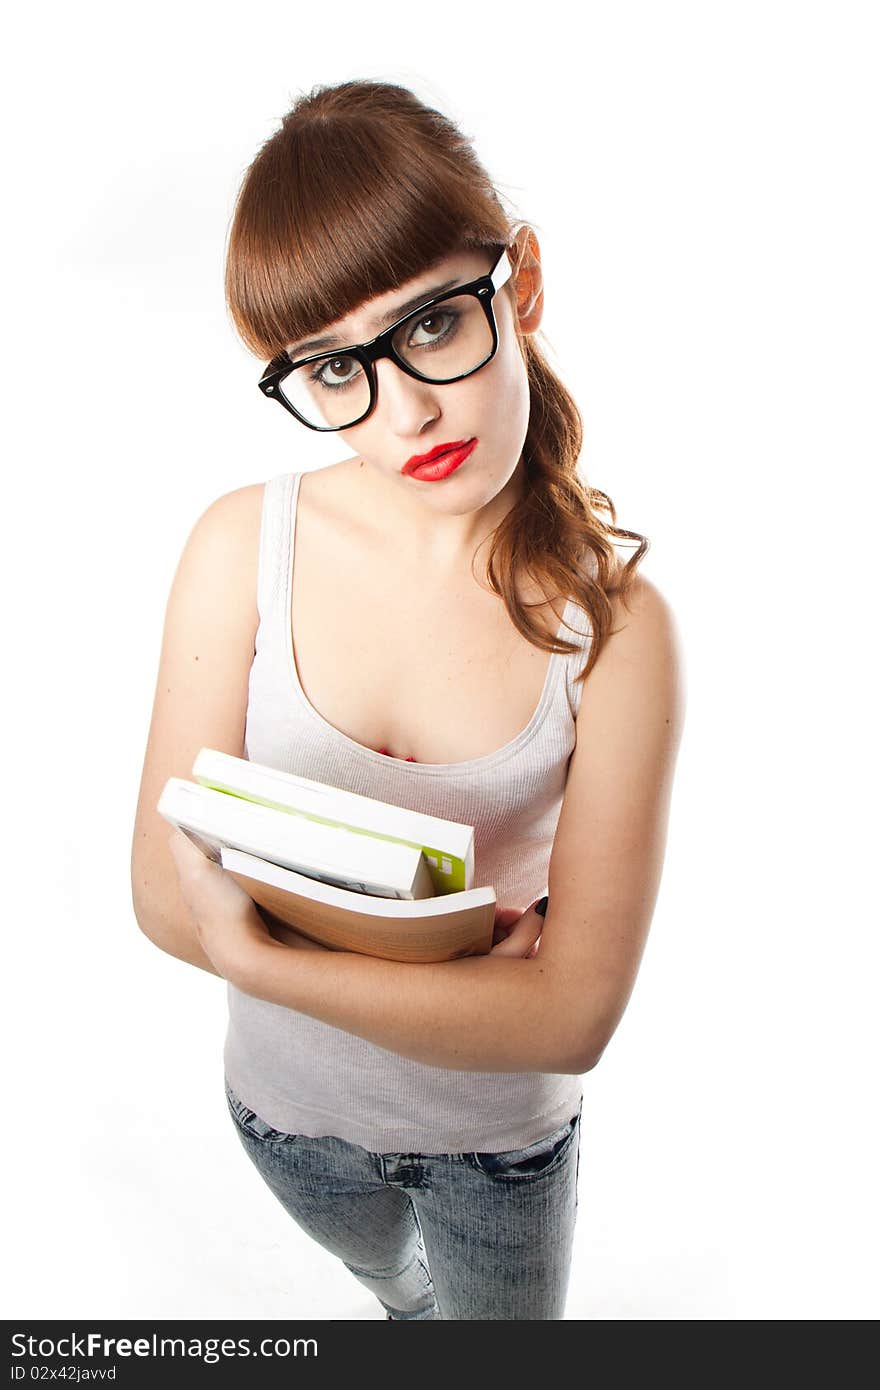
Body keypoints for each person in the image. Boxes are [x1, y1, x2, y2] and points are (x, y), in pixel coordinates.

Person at [130, 79, 685, 1321]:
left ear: (520, 283)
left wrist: (251, 944)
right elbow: (161, 893)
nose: (404, 412)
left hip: (498, 1152)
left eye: (432, 325)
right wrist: (459, 963)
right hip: (282, 1122)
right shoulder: (241, 544)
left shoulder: (618, 632)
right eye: (333, 367)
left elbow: (572, 1016)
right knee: (393, 1295)